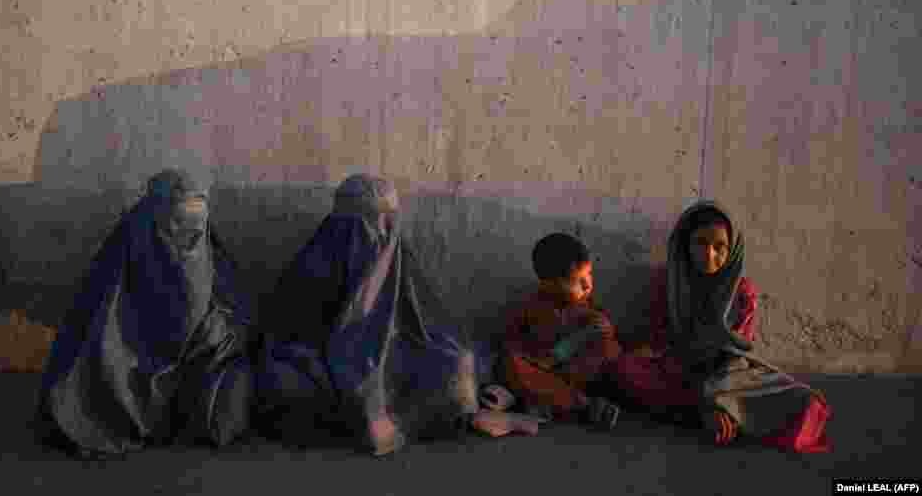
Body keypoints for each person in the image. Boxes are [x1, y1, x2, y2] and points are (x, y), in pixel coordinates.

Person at [255, 174, 494, 455]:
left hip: (397, 350)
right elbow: (290, 327)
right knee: (290, 380)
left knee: (456, 361)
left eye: (387, 218)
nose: (379, 229)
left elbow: (423, 317)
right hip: (322, 356)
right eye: (368, 220)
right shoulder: (316, 260)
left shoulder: (397, 254)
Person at [35, 169, 255, 459]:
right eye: (176, 228)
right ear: (148, 230)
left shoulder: (218, 321)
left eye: (196, 234)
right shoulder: (107, 311)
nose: (190, 247)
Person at [608, 200, 832, 451]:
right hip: (676, 369)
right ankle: (719, 414)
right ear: (685, 244)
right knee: (625, 369)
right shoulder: (668, 283)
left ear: (732, 250)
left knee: (804, 403)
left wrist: (715, 396)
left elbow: (736, 356)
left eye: (720, 247)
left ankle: (715, 412)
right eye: (700, 244)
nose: (709, 255)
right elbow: (660, 341)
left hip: (725, 375)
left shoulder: (742, 292)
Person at [500, 232, 623, 429]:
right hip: (551, 374)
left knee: (612, 351)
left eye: (589, 274)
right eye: (576, 280)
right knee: (512, 365)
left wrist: (603, 329)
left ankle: (561, 403)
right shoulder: (533, 308)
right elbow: (513, 342)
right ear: (548, 284)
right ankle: (582, 405)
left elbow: (607, 339)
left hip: (582, 372)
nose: (587, 285)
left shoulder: (587, 307)